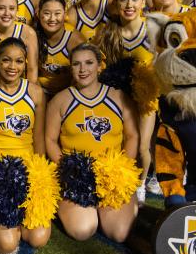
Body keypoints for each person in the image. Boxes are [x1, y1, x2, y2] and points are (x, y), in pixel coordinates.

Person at [45, 43, 140, 242]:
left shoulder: (118, 97)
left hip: (110, 175)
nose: (83, 69)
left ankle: (112, 207)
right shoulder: (60, 100)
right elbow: (50, 140)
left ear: (99, 66)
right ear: (70, 68)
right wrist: (69, 170)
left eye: (89, 63)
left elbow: (132, 136)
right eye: (76, 64)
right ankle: (90, 209)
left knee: (119, 233)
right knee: (82, 230)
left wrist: (121, 171)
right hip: (76, 177)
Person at [0, 37, 49, 252]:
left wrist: (39, 175)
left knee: (38, 239)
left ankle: (16, 219)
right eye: (6, 60)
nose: (12, 67)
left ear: (25, 63)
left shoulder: (36, 93)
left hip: (27, 171)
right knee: (6, 245)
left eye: (18, 61)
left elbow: (39, 138)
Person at [93, 0, 155, 201]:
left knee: (142, 146)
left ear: (143, 3)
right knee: (118, 144)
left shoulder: (153, 29)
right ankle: (119, 179)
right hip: (117, 99)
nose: (129, 4)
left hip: (146, 99)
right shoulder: (109, 31)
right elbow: (98, 63)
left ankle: (141, 184)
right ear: (117, 3)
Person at [34, 0, 85, 98]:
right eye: (47, 13)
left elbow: (82, 78)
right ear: (38, 14)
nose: (52, 19)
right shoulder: (32, 35)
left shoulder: (76, 40)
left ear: (65, 14)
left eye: (57, 13)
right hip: (39, 92)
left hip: (68, 94)